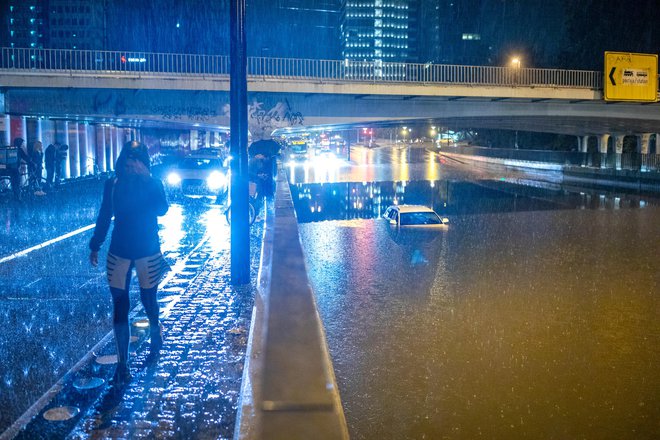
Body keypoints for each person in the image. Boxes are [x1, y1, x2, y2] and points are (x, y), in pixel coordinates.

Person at [89, 140, 169, 388]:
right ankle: (122, 364)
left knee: (148, 299)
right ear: (121, 162)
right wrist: (95, 244)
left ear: (144, 163)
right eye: (128, 160)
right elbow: (105, 215)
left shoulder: (153, 184)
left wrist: (148, 180)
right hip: (119, 251)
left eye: (137, 161)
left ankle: (155, 331)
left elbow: (162, 209)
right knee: (120, 304)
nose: (132, 165)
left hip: (148, 250)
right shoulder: (112, 185)